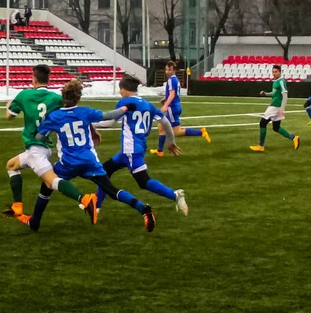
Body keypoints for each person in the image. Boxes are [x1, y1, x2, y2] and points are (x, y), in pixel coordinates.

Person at [21, 79, 156, 232]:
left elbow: (39, 137)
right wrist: (126, 107)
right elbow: (108, 115)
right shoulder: (85, 112)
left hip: (68, 163)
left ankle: (35, 221)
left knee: (47, 184)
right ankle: (143, 208)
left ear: (62, 97)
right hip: (90, 161)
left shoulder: (55, 117)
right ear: (78, 97)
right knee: (111, 190)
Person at [3, 65, 98, 224]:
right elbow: (73, 113)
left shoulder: (24, 95)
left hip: (35, 149)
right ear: (48, 79)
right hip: (44, 147)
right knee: (11, 165)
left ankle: (85, 199)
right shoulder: (55, 98)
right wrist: (93, 131)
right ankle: (17, 206)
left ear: (33, 78)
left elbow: (9, 116)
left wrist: (8, 105)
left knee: (51, 181)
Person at [93, 74, 188, 215]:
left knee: (143, 181)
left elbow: (109, 122)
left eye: (120, 89)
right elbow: (165, 123)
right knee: (104, 171)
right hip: (135, 149)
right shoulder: (147, 104)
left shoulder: (125, 103)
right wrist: (171, 141)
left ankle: (175, 195)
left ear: (125, 89)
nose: (119, 92)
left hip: (130, 150)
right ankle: (96, 206)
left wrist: (89, 123)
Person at [150, 61, 210, 156]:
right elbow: (173, 93)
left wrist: (166, 105)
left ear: (174, 70)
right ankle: (160, 151)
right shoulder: (175, 80)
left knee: (176, 131)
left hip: (172, 108)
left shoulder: (171, 80)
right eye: (166, 69)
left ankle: (201, 132)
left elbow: (173, 94)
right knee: (161, 127)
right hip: (175, 106)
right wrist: (165, 98)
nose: (167, 72)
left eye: (169, 70)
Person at [250, 65, 300, 152]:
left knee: (262, 123)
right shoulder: (276, 82)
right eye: (273, 72)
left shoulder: (281, 81)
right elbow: (274, 93)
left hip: (276, 106)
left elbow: (285, 93)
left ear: (280, 72)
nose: (274, 73)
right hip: (277, 106)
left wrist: (282, 107)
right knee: (276, 127)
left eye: (276, 72)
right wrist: (265, 93)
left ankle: (261, 146)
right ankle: (294, 138)